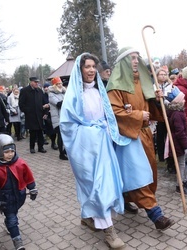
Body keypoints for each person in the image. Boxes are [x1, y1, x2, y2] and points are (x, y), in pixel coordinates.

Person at [60, 53, 130, 249]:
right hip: (86, 148)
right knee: (96, 185)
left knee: (104, 183)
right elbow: (67, 125)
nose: (91, 70)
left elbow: (107, 116)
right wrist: (91, 132)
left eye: (93, 66)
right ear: (80, 69)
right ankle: (109, 232)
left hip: (104, 146)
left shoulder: (100, 92)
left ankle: (89, 216)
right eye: (87, 66)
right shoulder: (74, 95)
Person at [107, 47, 174, 231]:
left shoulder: (142, 83)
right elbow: (113, 112)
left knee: (149, 171)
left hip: (145, 134)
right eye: (132, 58)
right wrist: (137, 115)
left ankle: (127, 198)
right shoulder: (115, 87)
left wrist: (156, 99)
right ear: (123, 62)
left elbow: (150, 109)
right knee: (138, 175)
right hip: (129, 137)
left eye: (137, 57)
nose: (136, 61)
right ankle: (156, 215)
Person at [0, 134, 37, 250]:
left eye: (12, 151)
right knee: (12, 219)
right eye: (6, 152)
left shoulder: (19, 163)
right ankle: (17, 241)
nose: (10, 154)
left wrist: (32, 188)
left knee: (13, 213)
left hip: (19, 197)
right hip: (5, 200)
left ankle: (9, 222)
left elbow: (27, 176)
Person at [165, 87, 187, 195]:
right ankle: (180, 186)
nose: (185, 100)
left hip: (182, 142)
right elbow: (179, 132)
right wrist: (186, 146)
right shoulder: (177, 114)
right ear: (178, 102)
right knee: (181, 164)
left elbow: (182, 130)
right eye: (183, 99)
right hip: (179, 144)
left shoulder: (179, 112)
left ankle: (184, 181)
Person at [19, 77, 48, 154]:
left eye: (37, 82)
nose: (36, 83)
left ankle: (40, 147)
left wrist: (45, 112)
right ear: (31, 82)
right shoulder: (24, 91)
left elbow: (44, 103)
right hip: (31, 115)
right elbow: (21, 104)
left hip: (39, 115)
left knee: (40, 132)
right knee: (32, 132)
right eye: (35, 82)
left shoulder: (39, 91)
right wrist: (28, 111)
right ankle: (32, 147)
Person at [155, 68, 172, 162]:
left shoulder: (169, 86)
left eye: (164, 74)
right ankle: (161, 155)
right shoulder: (154, 86)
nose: (163, 76)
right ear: (157, 76)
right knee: (160, 135)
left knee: (169, 135)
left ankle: (169, 154)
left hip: (169, 113)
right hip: (160, 114)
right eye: (161, 74)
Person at [48, 76, 68, 160]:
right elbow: (58, 104)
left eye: (60, 83)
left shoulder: (64, 92)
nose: (60, 85)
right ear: (54, 85)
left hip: (65, 117)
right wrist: (68, 100)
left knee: (66, 136)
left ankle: (65, 151)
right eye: (58, 84)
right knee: (60, 137)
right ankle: (61, 154)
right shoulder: (51, 94)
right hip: (58, 119)